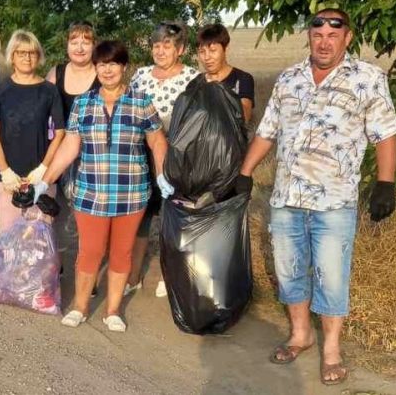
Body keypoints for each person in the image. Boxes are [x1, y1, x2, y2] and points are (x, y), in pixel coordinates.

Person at [236, 8, 396, 386]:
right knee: (290, 271)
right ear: (309, 37)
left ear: (347, 37)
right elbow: (268, 131)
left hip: (334, 200)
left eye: (332, 35)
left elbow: (386, 134)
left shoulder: (368, 79)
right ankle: (300, 335)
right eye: (317, 35)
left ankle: (331, 350)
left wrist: (385, 183)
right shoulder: (290, 79)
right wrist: (245, 173)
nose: (324, 42)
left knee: (331, 276)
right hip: (286, 197)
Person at [34, 41, 171, 333]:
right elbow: (70, 147)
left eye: (114, 64)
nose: (107, 70)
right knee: (90, 252)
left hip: (131, 196)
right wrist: (45, 179)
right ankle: (80, 307)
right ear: (96, 68)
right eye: (102, 64)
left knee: (121, 253)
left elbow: (157, 141)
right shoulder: (84, 104)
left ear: (124, 67)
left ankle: (113, 310)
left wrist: (162, 175)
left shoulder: (141, 102)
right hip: (90, 195)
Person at [126, 21, 199, 298]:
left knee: (173, 217)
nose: (160, 50)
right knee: (140, 217)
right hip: (140, 158)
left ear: (180, 49)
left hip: (177, 158)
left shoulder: (192, 78)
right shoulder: (140, 75)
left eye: (167, 45)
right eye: (156, 45)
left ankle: (170, 276)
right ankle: (133, 276)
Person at [0, 29, 65, 234]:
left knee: (39, 241)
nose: (27, 58)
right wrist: (5, 171)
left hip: (40, 176)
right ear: (12, 56)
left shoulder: (49, 90)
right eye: (21, 53)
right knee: (10, 239)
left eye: (32, 53)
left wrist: (43, 169)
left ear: (38, 56)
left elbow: (60, 133)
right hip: (7, 178)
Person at [44, 21, 99, 267]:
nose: (79, 47)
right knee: (52, 212)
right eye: (74, 41)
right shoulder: (56, 73)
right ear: (67, 45)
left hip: (91, 156)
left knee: (85, 217)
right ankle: (53, 265)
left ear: (94, 46)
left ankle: (86, 267)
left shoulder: (103, 73)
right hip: (56, 152)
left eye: (85, 42)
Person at [194, 23, 255, 122]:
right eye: (202, 52)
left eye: (213, 50)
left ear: (225, 49)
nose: (207, 57)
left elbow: (245, 116)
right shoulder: (196, 82)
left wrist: (216, 91)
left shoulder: (242, 79)